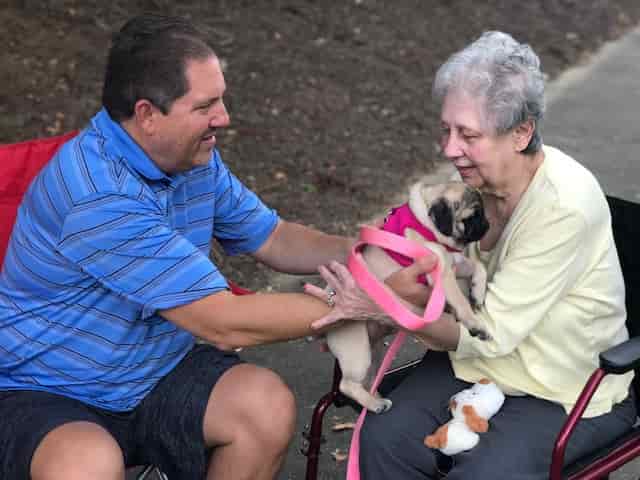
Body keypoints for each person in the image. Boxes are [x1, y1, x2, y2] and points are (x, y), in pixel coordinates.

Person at [0, 14, 428, 480]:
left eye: (220, 100)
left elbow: (274, 237)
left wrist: (376, 255)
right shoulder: (98, 197)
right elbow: (222, 323)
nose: (223, 118)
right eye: (206, 105)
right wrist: (366, 303)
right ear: (147, 115)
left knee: (262, 408)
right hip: (47, 388)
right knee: (87, 465)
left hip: (152, 370)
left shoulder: (191, 158)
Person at [307, 31, 637, 479]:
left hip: (561, 385)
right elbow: (411, 266)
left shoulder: (563, 207)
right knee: (382, 439)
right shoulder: (473, 189)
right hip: (481, 367)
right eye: (446, 130)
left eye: (468, 134)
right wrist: (358, 305)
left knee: (485, 475)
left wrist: (388, 306)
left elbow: (489, 333)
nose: (448, 149)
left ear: (521, 133)